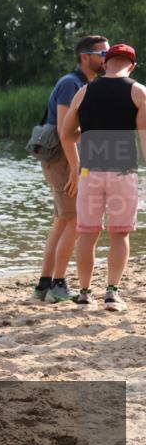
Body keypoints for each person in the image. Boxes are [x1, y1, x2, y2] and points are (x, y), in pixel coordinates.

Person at [60, 43, 146, 311]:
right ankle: (112, 294)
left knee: (87, 234)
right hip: (123, 173)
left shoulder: (84, 91)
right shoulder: (139, 91)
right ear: (132, 66)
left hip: (90, 173)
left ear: (106, 62)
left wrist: (76, 164)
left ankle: (85, 294)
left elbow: (65, 134)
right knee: (120, 234)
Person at [34, 35, 109, 303]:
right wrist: (76, 170)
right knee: (76, 221)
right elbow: (65, 131)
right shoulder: (70, 83)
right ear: (85, 56)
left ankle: (44, 286)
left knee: (63, 221)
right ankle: (58, 285)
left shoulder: (86, 84)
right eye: (103, 53)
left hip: (68, 158)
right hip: (64, 159)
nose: (107, 57)